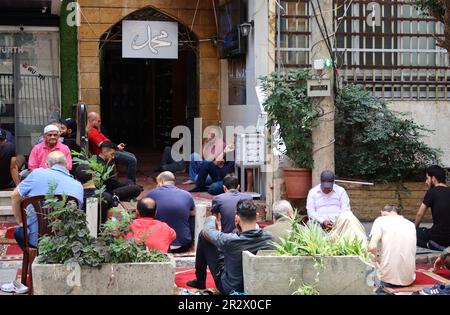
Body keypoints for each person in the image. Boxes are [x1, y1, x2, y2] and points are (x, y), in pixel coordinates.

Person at [186, 174, 252, 290]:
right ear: (238, 186)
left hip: (227, 242)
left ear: (224, 188)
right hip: (247, 239)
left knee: (203, 235)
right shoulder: (248, 197)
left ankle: (200, 280)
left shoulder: (219, 198)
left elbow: (214, 222)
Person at [11, 151, 83, 250]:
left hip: (35, 238)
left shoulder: (37, 173)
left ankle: (31, 258)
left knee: (19, 232)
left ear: (47, 164)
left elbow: (15, 196)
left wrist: (20, 221)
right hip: (65, 240)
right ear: (66, 165)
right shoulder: (78, 185)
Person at [201, 199, 275, 294]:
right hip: (256, 286)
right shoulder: (269, 237)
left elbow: (207, 231)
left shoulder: (230, 240)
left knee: (203, 235)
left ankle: (200, 280)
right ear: (257, 216)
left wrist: (212, 218)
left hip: (230, 289)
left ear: (237, 218)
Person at [368, 205, 416, 288]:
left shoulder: (380, 220)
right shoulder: (411, 224)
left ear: (383, 212)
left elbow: (372, 247)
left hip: (385, 281)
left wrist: (374, 264)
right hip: (409, 280)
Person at [147, 171, 195, 253]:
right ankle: (192, 241)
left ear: (161, 181)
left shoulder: (151, 194)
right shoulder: (187, 195)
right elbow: (193, 213)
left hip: (157, 246)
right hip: (182, 245)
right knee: (192, 215)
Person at [87, 112, 137, 182]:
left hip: (111, 150)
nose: (100, 123)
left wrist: (117, 147)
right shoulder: (92, 132)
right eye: (98, 121)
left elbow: (107, 143)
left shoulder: (95, 130)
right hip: (106, 154)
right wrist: (116, 148)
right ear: (92, 121)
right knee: (132, 160)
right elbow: (103, 145)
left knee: (132, 156)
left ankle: (131, 183)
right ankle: (131, 183)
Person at [415, 165, 450, 248]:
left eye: (427, 178)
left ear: (433, 178)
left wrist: (414, 229)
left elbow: (420, 214)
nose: (426, 182)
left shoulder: (432, 192)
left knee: (409, 234)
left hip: (438, 238)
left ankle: (430, 245)